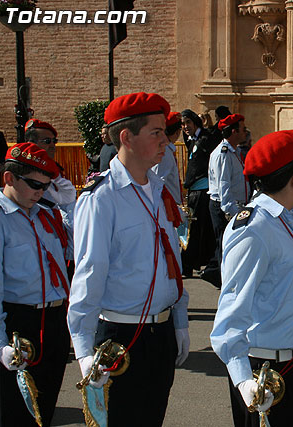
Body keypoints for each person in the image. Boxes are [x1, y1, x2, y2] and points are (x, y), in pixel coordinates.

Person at [67, 92, 190, 426]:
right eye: (156, 132)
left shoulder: (157, 189)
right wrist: (84, 353)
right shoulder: (101, 198)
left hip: (160, 335)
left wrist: (179, 322)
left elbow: (171, 264)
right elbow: (89, 274)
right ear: (127, 137)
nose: (166, 140)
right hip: (120, 337)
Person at [210, 130, 293, 427]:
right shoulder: (254, 228)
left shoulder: (284, 218)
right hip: (263, 371)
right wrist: (244, 381)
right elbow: (232, 308)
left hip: (292, 363)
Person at [0, 143, 70, 427]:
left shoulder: (47, 214)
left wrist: (69, 203)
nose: (40, 191)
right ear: (9, 178)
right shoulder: (1, 218)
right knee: (15, 411)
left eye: (46, 185)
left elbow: (76, 252)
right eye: (33, 184)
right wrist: (0, 343)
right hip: (18, 320)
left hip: (54, 319)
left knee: (45, 407)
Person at [202, 113, 251, 287]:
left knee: (227, 244)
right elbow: (224, 185)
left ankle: (219, 275)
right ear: (233, 132)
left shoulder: (234, 151)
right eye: (242, 129)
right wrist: (230, 210)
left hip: (233, 205)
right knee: (225, 245)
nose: (245, 132)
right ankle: (220, 277)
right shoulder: (223, 154)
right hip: (225, 207)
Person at [181, 109, 216, 277]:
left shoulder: (205, 139)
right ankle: (191, 263)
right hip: (194, 190)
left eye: (188, 122)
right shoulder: (191, 140)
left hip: (203, 190)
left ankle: (194, 263)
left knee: (199, 229)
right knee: (193, 229)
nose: (185, 126)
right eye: (183, 124)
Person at [24, 119, 77, 213]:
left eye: (54, 141)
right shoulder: (24, 171)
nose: (53, 145)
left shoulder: (54, 169)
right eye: (47, 141)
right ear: (31, 144)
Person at [152, 111, 183, 204]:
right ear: (177, 132)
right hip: (168, 205)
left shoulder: (167, 150)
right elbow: (159, 181)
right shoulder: (164, 152)